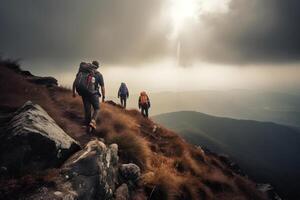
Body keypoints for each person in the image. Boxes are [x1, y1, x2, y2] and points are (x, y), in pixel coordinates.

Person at [72, 60, 105, 132]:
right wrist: (103, 96)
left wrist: (73, 92)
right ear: (98, 67)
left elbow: (75, 82)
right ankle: (93, 122)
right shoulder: (99, 75)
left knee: (87, 110)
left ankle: (88, 128)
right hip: (93, 93)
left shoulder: (83, 72)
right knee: (97, 108)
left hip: (84, 93)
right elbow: (102, 86)